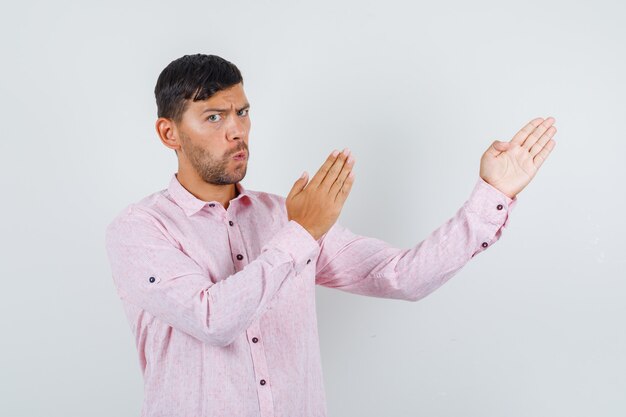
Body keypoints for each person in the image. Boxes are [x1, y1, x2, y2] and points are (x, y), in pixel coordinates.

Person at [104, 53, 557, 417]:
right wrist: (301, 232)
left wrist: (491, 195)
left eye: (242, 112)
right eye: (214, 118)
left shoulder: (286, 215)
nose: (237, 131)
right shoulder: (140, 230)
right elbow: (212, 320)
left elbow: (402, 276)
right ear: (170, 133)